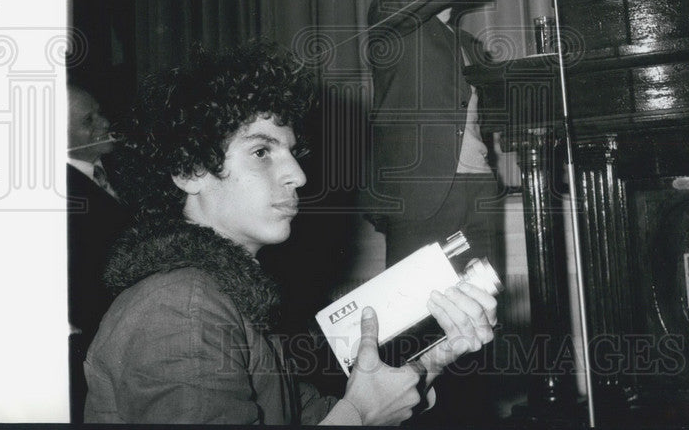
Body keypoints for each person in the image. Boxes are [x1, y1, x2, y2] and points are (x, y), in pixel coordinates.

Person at [82, 40, 498, 424]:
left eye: (292, 152)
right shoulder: (179, 308)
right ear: (190, 170)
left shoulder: (224, 294)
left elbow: (312, 416)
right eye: (262, 151)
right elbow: (349, 416)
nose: (298, 175)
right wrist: (361, 415)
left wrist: (433, 361)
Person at [365, 0, 524, 269]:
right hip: (421, 195)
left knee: (482, 300)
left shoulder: (471, 46)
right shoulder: (388, 15)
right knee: (419, 303)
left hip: (479, 190)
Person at [66, 84, 130, 422]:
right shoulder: (59, 195)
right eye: (88, 121)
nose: (105, 123)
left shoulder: (123, 166)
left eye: (99, 112)